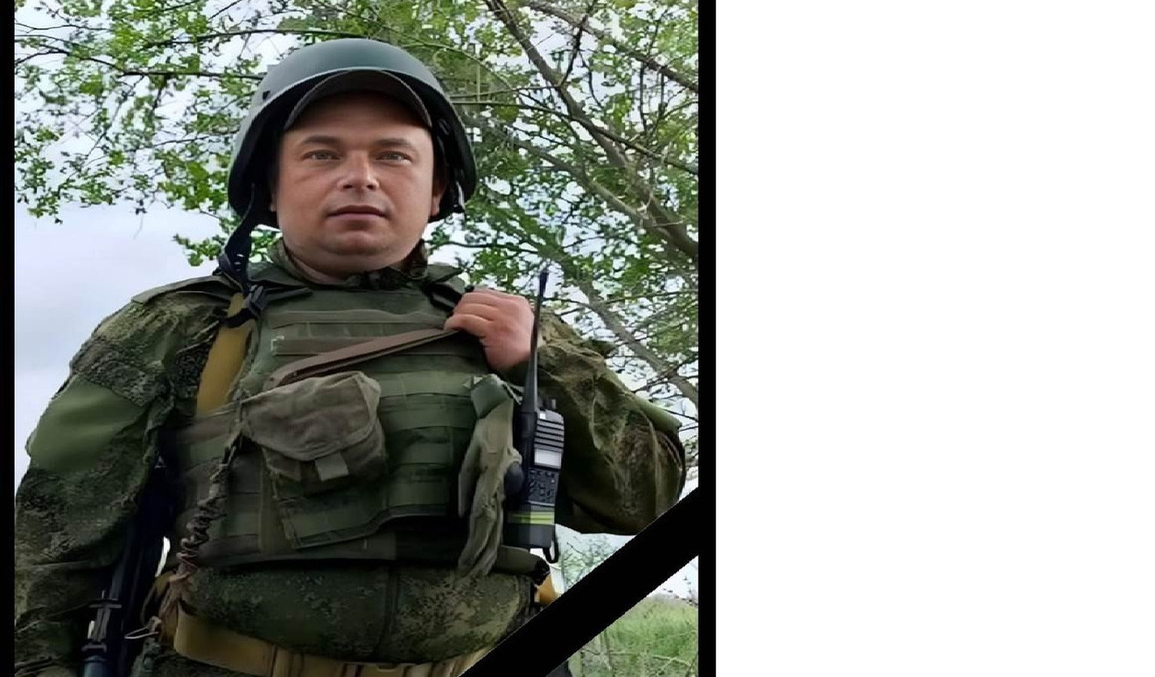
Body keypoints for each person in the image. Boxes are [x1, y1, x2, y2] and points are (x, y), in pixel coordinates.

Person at [14, 38, 687, 677]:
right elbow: (50, 546)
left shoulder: (518, 330)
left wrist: (547, 365)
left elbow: (644, 502)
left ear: (435, 190)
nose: (360, 178)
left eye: (393, 155)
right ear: (269, 188)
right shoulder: (181, 328)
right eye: (322, 154)